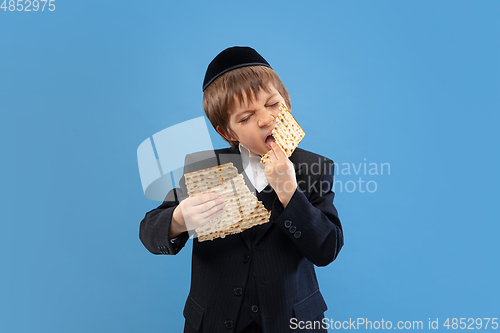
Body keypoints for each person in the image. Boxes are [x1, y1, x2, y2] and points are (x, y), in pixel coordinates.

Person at [139, 46, 343, 333]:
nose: (265, 119)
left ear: (286, 103)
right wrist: (179, 219)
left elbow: (327, 248)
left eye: (273, 105)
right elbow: (149, 231)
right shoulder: (205, 169)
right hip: (214, 322)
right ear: (228, 132)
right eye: (246, 118)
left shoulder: (314, 168)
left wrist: (288, 192)